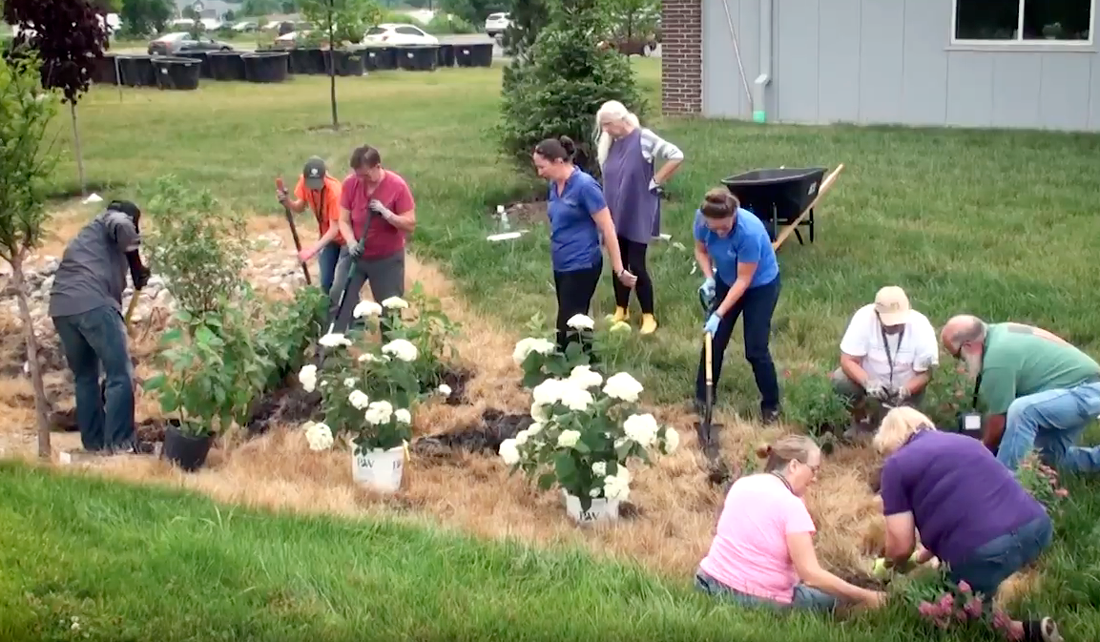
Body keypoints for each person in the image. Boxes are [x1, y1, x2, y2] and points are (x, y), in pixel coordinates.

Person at [874, 406, 1062, 642]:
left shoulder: (896, 465)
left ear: (889, 442)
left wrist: (889, 566)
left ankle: (1024, 632)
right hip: (1036, 528)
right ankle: (1036, 630)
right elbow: (965, 509)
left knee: (951, 610)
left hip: (985, 551)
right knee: (979, 583)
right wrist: (919, 559)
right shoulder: (965, 442)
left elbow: (901, 545)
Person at [694, 435, 886, 612]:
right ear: (794, 465)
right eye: (814, 469)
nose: (815, 478)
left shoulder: (742, 484)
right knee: (835, 600)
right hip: (752, 598)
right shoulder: (791, 506)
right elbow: (811, 574)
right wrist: (866, 596)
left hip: (707, 582)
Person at [48, 200, 152, 456]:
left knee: (85, 377)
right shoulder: (113, 218)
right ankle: (121, 444)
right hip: (94, 305)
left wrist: (133, 271)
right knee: (120, 374)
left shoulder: (88, 236)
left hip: (62, 308)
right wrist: (137, 265)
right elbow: (121, 225)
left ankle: (94, 444)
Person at [941, 315, 1100, 473]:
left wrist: (981, 451)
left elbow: (999, 420)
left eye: (956, 355)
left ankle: (1005, 480)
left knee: (1023, 410)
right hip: (1079, 389)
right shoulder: (999, 332)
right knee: (1045, 460)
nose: (960, 362)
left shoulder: (997, 361)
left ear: (968, 346)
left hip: (1086, 391)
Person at [531, 136, 637, 351]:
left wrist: (619, 270)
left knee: (567, 326)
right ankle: (587, 367)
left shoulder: (585, 186)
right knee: (576, 322)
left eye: (542, 167)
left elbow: (608, 228)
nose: (539, 172)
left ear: (559, 162)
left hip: (582, 264)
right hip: (561, 262)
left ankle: (569, 371)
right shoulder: (555, 185)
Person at [594, 99, 684, 335]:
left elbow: (676, 155)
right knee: (617, 260)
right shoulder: (611, 143)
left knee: (636, 264)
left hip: (637, 210)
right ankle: (621, 309)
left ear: (621, 120)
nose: (605, 130)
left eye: (608, 124)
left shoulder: (643, 138)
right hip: (614, 210)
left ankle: (648, 315)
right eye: (603, 125)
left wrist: (655, 181)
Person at [694, 188, 782, 423]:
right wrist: (709, 278)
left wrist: (718, 313)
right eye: (715, 228)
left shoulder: (749, 232)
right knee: (714, 340)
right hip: (725, 279)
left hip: (760, 286)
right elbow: (701, 250)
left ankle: (771, 405)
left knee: (755, 349)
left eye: (725, 227)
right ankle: (704, 398)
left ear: (734, 215)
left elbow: (744, 281)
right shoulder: (702, 221)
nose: (720, 232)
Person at [329, 144, 415, 334]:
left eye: (366, 175)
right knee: (340, 294)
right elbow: (343, 220)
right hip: (356, 255)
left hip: (386, 259)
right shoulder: (351, 184)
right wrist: (351, 243)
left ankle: (391, 354)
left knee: (389, 308)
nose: (361, 180)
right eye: (358, 175)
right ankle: (338, 343)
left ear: (378, 167)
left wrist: (387, 214)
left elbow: (410, 223)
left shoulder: (397, 186)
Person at [834, 286, 938, 440]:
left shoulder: (921, 326)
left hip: (907, 387)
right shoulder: (863, 318)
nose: (895, 326)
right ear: (877, 314)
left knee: (903, 434)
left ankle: (895, 425)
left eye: (899, 323)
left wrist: (906, 390)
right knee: (840, 380)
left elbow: (926, 373)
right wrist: (868, 382)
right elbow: (847, 360)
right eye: (889, 323)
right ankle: (860, 421)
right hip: (870, 381)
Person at [277, 156, 345, 295]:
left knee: (342, 285)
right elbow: (299, 207)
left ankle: (353, 315)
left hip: (346, 240)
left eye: (317, 183)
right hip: (328, 239)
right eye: (311, 183)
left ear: (324, 177)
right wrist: (287, 201)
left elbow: (334, 229)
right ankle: (328, 314)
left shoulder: (335, 192)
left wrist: (311, 251)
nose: (314, 188)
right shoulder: (305, 182)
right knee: (326, 283)